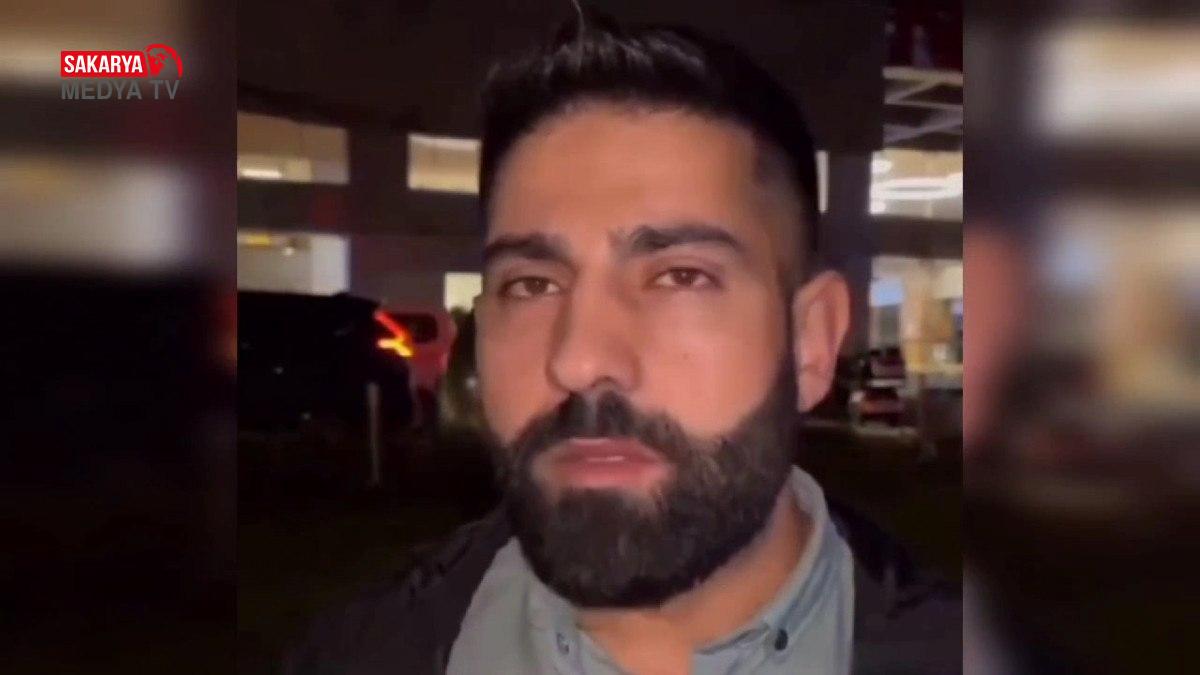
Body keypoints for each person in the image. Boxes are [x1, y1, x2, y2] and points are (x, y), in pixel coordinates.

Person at [284, 14, 959, 675]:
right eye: (532, 285)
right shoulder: (354, 655)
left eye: (680, 277)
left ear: (810, 342)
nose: (578, 361)